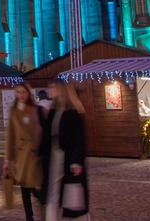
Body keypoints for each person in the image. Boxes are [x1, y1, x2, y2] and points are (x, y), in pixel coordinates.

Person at [38, 79, 88, 221]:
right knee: (51, 190)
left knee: (71, 194)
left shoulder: (72, 114)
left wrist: (76, 161)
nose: (50, 91)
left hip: (66, 156)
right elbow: (47, 136)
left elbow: (79, 140)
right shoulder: (53, 112)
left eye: (53, 88)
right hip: (53, 155)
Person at [4, 83, 42, 221]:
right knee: (25, 189)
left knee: (36, 190)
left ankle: (46, 210)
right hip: (21, 157)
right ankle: (29, 217)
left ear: (28, 93)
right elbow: (10, 136)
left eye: (23, 92)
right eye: (18, 92)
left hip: (34, 156)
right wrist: (7, 160)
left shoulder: (36, 110)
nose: (21, 95)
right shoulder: (13, 111)